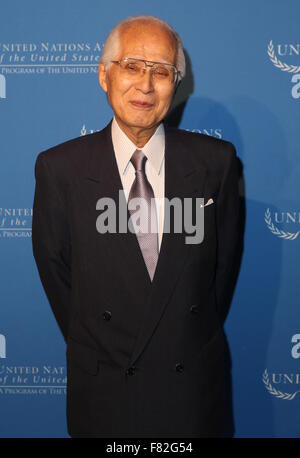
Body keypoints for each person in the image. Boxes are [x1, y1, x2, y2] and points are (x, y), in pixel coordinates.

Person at [32, 15, 240, 438]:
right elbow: (61, 284)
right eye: (132, 67)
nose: (146, 85)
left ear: (176, 84)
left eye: (161, 71)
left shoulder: (215, 164)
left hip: (192, 399)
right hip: (106, 398)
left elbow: (220, 277)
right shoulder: (60, 169)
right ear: (104, 75)